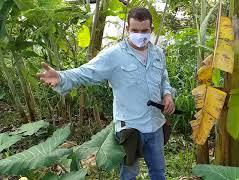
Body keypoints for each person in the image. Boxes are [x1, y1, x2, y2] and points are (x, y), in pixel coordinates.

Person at [37, 7, 175, 180]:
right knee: (129, 174)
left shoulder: (157, 53)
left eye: (144, 31)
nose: (140, 35)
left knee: (158, 172)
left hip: (155, 124)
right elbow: (87, 72)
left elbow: (163, 77)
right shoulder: (114, 55)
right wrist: (61, 77)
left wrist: (167, 94)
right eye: (135, 30)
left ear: (151, 30)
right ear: (127, 29)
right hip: (130, 127)